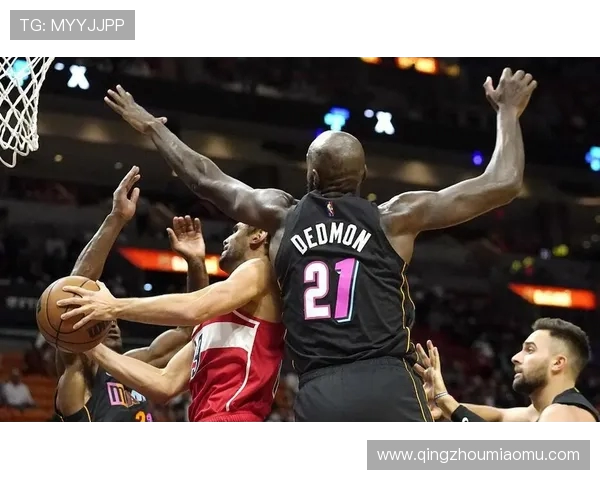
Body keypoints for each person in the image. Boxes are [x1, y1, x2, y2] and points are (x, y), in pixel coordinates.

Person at [100, 68, 536, 421]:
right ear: (363, 178)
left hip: (320, 387)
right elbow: (502, 183)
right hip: (387, 379)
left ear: (309, 177)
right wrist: (508, 113)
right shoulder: (395, 217)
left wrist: (152, 127)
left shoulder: (280, 216)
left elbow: (205, 178)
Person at [58, 222, 285, 422]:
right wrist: (88, 345)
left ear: (259, 235)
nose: (226, 238)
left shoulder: (260, 268)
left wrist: (113, 306)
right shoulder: (215, 321)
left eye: (236, 230)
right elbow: (165, 383)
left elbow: (194, 308)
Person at [53, 167, 207, 422]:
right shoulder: (80, 370)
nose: (112, 324)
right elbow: (74, 290)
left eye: (113, 319)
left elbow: (188, 330)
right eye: (103, 318)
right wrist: (116, 218)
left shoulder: (136, 363)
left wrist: (196, 263)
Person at [416, 317, 599, 422]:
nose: (515, 357)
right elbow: (499, 416)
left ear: (557, 363)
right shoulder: (540, 412)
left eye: (530, 350)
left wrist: (445, 400)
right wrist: (440, 405)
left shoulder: (565, 414)